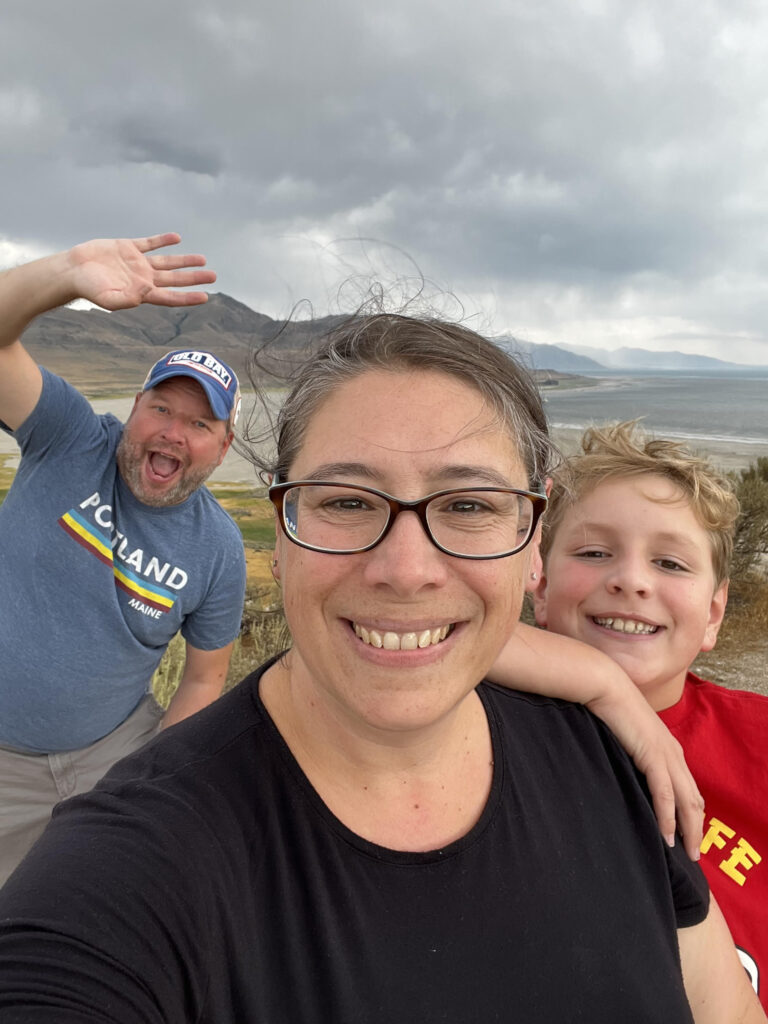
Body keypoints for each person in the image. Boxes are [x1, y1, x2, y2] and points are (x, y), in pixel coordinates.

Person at [0, 315, 762, 1023]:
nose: (406, 570)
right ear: (281, 533)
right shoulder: (129, 867)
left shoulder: (612, 760)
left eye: (467, 506)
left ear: (532, 533)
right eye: (346, 501)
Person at [0, 234, 247, 885]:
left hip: (109, 762)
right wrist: (65, 273)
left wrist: (153, 774)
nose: (173, 431)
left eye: (199, 425)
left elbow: (201, 680)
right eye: (162, 408)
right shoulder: (69, 438)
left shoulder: (219, 549)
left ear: (222, 449)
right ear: (133, 409)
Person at [520, 420, 768, 1006]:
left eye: (672, 564)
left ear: (713, 613)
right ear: (538, 586)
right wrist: (600, 682)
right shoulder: (478, 720)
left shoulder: (756, 741)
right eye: (594, 552)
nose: (630, 580)